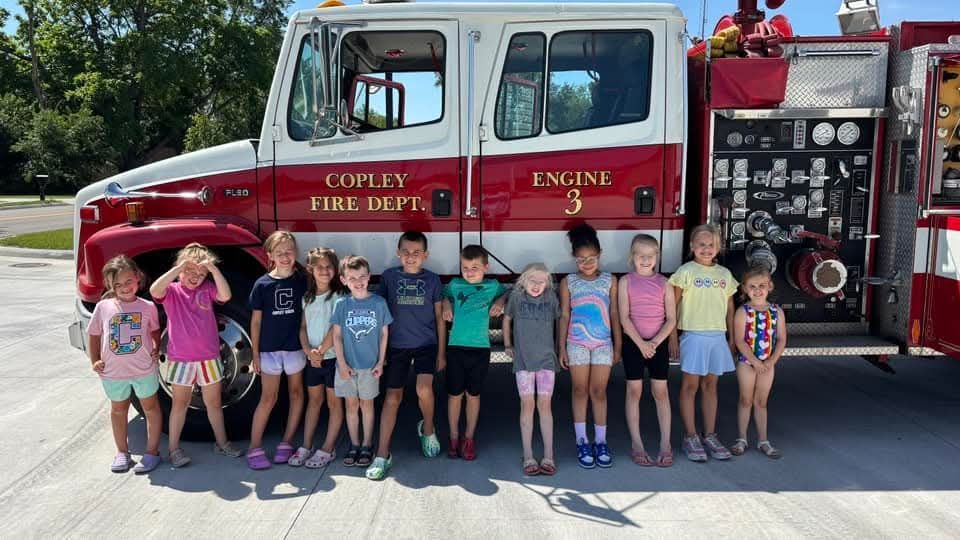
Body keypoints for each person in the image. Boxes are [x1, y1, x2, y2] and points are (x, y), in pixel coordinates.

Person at [150, 243, 243, 468]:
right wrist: (178, 268)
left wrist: (213, 270)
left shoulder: (207, 288)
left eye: (200, 273)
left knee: (214, 402)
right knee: (180, 404)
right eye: (190, 272)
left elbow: (225, 294)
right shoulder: (172, 291)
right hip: (181, 359)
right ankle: (174, 449)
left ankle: (222, 443)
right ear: (180, 270)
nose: (196, 277)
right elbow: (155, 290)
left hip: (209, 357)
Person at [368, 231, 446, 481]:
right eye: (406, 252)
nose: (411, 257)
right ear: (398, 253)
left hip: (426, 343)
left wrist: (441, 352)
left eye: (416, 253)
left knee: (425, 389)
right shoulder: (390, 277)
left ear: (426, 255)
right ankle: (382, 454)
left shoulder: (433, 280)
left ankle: (429, 429)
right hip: (397, 345)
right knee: (392, 397)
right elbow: (378, 312)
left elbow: (438, 319)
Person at [668, 224, 738, 462]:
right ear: (692, 246)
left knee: (711, 386)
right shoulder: (685, 272)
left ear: (718, 248)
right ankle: (690, 436)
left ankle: (710, 434)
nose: (706, 249)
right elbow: (673, 306)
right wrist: (672, 337)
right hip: (693, 336)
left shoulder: (725, 275)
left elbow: (730, 308)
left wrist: (731, 337)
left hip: (717, 337)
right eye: (701, 244)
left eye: (711, 245)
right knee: (690, 387)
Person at [88, 255, 163, 474]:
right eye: (118, 285)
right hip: (113, 372)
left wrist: (157, 347)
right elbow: (93, 334)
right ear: (111, 286)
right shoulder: (103, 307)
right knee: (118, 411)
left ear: (137, 278)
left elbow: (155, 331)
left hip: (143, 370)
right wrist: (95, 360)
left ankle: (152, 453)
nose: (124, 288)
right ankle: (122, 452)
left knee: (151, 409)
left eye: (128, 281)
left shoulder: (148, 307)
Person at [559, 223, 621, 469]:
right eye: (581, 259)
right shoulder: (569, 282)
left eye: (591, 258)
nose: (586, 263)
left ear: (600, 256)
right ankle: (582, 440)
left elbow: (614, 312)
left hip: (603, 343)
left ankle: (601, 441)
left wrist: (617, 345)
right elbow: (564, 315)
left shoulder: (609, 280)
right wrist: (561, 347)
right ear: (574, 259)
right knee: (579, 391)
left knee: (599, 392)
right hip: (577, 344)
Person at [246, 231, 309, 470]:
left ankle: (287, 442)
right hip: (269, 350)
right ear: (270, 255)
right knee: (268, 398)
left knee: (296, 394)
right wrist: (254, 353)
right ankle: (255, 446)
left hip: (294, 348)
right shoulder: (262, 285)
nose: (285, 256)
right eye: (279, 252)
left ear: (296, 253)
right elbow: (256, 322)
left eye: (289, 251)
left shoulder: (303, 280)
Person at [441, 245, 507, 461]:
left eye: (475, 268)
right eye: (465, 267)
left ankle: (468, 438)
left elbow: (507, 292)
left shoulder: (492, 286)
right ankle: (453, 437)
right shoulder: (455, 284)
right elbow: (443, 294)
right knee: (454, 395)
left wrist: (499, 300)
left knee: (473, 395)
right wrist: (445, 304)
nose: (469, 272)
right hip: (456, 348)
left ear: (486, 268)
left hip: (480, 349)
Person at [618, 234, 677, 467]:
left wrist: (654, 343)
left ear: (657, 257)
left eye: (650, 256)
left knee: (660, 392)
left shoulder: (665, 283)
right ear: (632, 257)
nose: (645, 259)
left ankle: (665, 444)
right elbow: (624, 317)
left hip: (658, 343)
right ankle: (637, 444)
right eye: (640, 255)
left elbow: (671, 318)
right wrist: (641, 344)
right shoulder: (625, 282)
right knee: (634, 391)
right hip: (634, 343)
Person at [288, 247, 347, 468]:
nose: (324, 271)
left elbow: (336, 328)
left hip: (331, 358)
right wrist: (307, 350)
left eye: (329, 266)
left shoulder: (340, 297)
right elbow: (302, 326)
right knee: (314, 401)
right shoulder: (308, 297)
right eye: (319, 267)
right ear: (310, 269)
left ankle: (328, 447)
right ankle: (306, 444)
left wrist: (320, 351)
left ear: (335, 269)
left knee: (334, 403)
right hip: (312, 359)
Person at [331, 255, 392, 470]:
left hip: (369, 366)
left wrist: (380, 362)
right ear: (343, 280)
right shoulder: (341, 304)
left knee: (367, 404)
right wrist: (342, 364)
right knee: (351, 405)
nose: (358, 281)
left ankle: (367, 444)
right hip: (346, 366)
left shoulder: (378, 303)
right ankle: (354, 444)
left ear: (369, 277)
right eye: (352, 277)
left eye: (362, 276)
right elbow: (336, 336)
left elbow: (385, 334)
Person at [503, 263, 560, 476]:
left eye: (541, 281)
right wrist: (508, 345)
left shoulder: (551, 298)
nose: (537, 285)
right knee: (527, 405)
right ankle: (527, 455)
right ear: (523, 281)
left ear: (547, 283)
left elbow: (560, 320)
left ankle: (548, 455)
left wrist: (559, 348)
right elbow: (507, 320)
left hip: (546, 361)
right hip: (523, 361)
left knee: (545, 405)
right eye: (532, 281)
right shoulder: (517, 298)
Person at [731, 266, 787, 459]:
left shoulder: (776, 311)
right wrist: (755, 362)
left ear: (770, 286)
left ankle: (763, 440)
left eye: (762, 285)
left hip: (767, 364)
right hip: (748, 363)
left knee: (761, 402)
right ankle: (741, 439)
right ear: (745, 289)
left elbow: (781, 339)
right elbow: (739, 340)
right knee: (746, 400)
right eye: (752, 286)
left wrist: (771, 361)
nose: (757, 290)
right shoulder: (742, 311)